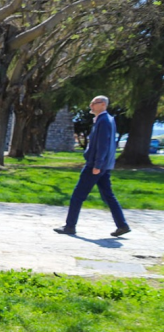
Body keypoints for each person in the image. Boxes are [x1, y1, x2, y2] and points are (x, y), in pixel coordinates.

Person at [54, 95, 131, 237]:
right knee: (108, 196)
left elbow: (103, 145)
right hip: (103, 166)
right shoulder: (105, 120)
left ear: (103, 104)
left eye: (94, 103)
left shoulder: (104, 121)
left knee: (77, 196)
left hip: (95, 166)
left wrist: (97, 165)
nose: (91, 106)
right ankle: (122, 225)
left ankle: (70, 226)